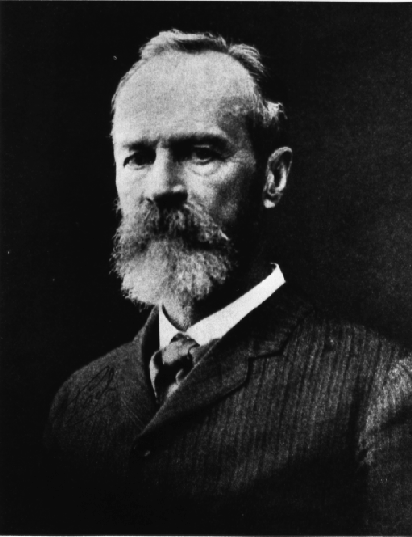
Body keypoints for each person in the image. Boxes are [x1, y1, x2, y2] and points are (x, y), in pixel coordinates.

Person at [44, 30, 412, 535]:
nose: (161, 187)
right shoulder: (77, 403)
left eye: (200, 153)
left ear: (273, 178)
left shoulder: (376, 390)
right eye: (138, 157)